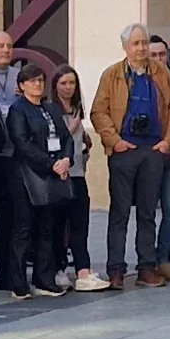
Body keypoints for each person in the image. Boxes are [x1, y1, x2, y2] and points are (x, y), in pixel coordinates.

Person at [92, 24, 170, 288]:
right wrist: (114, 141)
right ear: (125, 47)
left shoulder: (161, 72)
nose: (141, 48)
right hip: (123, 151)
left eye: (143, 43)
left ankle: (146, 267)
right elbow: (99, 112)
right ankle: (116, 269)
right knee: (119, 212)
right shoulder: (112, 75)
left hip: (153, 150)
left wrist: (168, 140)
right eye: (136, 44)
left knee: (147, 212)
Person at [1, 64, 75, 299]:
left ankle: (44, 279)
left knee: (47, 228)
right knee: (24, 228)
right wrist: (49, 163)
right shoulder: (18, 110)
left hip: (53, 174)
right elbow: (22, 143)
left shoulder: (50, 108)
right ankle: (18, 283)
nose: (38, 84)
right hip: (26, 174)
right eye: (32, 81)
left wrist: (65, 159)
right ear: (22, 85)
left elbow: (66, 137)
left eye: (41, 80)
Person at [48, 64, 106, 292]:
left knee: (80, 222)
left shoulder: (77, 109)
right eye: (63, 83)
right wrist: (71, 129)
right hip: (59, 174)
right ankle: (59, 268)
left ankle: (83, 269)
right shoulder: (51, 110)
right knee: (59, 225)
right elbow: (54, 141)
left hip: (78, 172)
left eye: (72, 83)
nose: (68, 87)